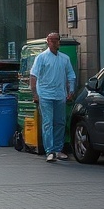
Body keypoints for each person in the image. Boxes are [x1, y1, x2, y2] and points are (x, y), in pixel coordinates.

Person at [30, 32, 77, 163]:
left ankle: (57, 149)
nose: (54, 42)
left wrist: (71, 91)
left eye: (56, 40)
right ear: (48, 42)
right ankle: (50, 151)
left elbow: (71, 75)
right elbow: (33, 76)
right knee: (48, 123)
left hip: (60, 95)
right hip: (45, 95)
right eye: (51, 40)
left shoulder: (64, 58)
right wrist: (35, 94)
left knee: (60, 122)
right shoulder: (41, 58)